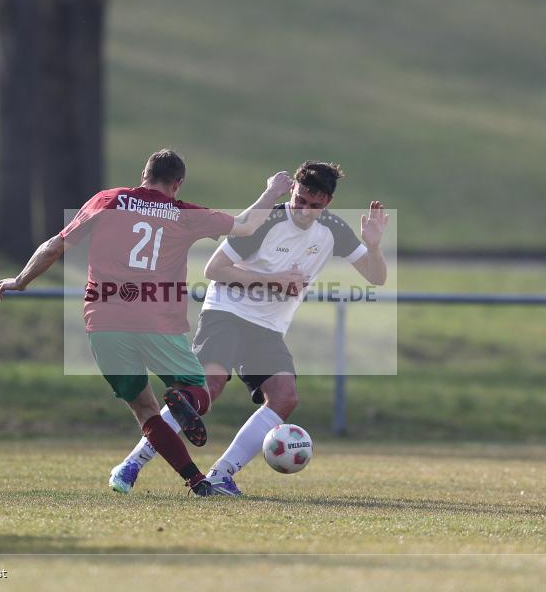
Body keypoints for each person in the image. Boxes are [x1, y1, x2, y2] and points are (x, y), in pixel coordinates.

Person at [0, 149, 292, 496]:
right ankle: (185, 401)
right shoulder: (182, 213)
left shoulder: (109, 200)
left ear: (143, 174)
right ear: (177, 184)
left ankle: (196, 481)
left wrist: (21, 280)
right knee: (199, 391)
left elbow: (54, 246)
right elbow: (246, 226)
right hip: (157, 319)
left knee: (144, 409)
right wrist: (273, 191)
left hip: (104, 322)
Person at [110, 160, 389, 495]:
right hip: (226, 312)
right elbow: (215, 268)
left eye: (314, 205)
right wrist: (274, 281)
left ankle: (221, 475)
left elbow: (376, 278)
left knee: (285, 398)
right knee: (206, 390)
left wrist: (373, 246)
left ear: (327, 202)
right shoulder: (266, 221)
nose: (304, 210)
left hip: (268, 328)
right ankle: (131, 465)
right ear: (293, 190)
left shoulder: (333, 230)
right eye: (300, 200)